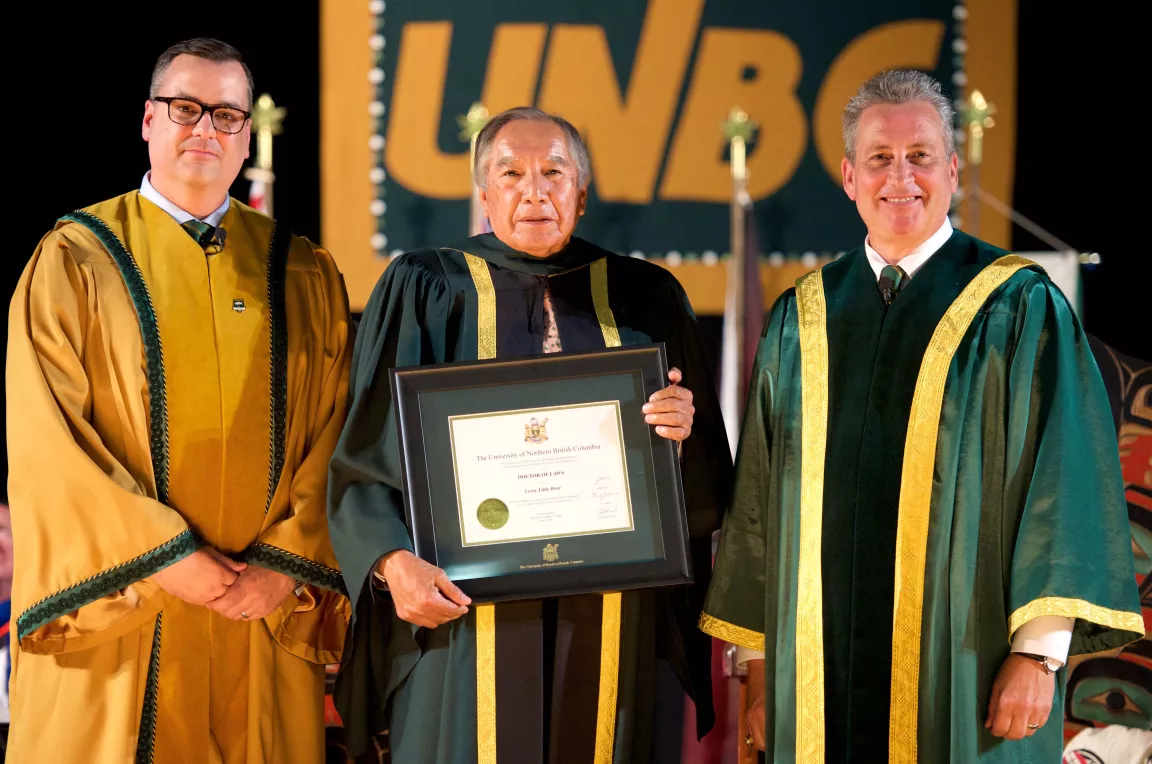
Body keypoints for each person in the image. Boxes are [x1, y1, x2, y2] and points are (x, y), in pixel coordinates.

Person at [699, 69, 1144, 763]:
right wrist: (757, 667)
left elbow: (1065, 480)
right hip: (813, 684)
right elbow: (759, 501)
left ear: (953, 169)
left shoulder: (1017, 306)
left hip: (968, 669)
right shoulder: (802, 318)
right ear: (849, 176)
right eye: (879, 158)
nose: (899, 177)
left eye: (920, 157)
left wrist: (1038, 655)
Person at [327, 106, 732, 763]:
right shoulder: (426, 286)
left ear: (582, 189)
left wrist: (678, 438)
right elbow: (367, 454)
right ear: (482, 192)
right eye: (510, 172)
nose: (534, 189)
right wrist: (389, 563)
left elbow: (706, 483)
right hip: (464, 620)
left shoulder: (645, 296)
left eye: (554, 171)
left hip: (610, 617)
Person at [5, 38, 352, 762]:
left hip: (260, 610)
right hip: (126, 610)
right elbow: (49, 441)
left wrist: (285, 563)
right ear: (147, 120)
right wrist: (162, 557)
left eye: (227, 115)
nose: (206, 130)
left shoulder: (302, 269)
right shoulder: (77, 258)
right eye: (186, 108)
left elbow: (339, 431)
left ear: (246, 136)